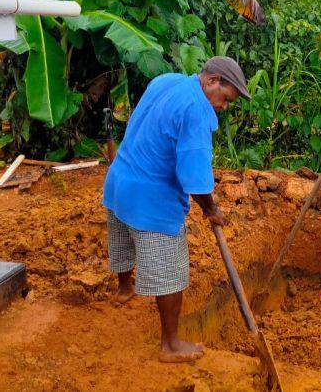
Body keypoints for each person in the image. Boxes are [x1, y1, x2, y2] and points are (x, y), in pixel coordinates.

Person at [102, 56, 251, 363]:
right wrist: (211, 209)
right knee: (171, 271)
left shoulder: (168, 81)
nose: (223, 107)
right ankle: (170, 344)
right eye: (225, 99)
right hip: (151, 199)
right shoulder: (196, 111)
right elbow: (195, 179)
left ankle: (123, 287)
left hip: (119, 180)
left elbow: (143, 124)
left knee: (122, 240)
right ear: (211, 81)